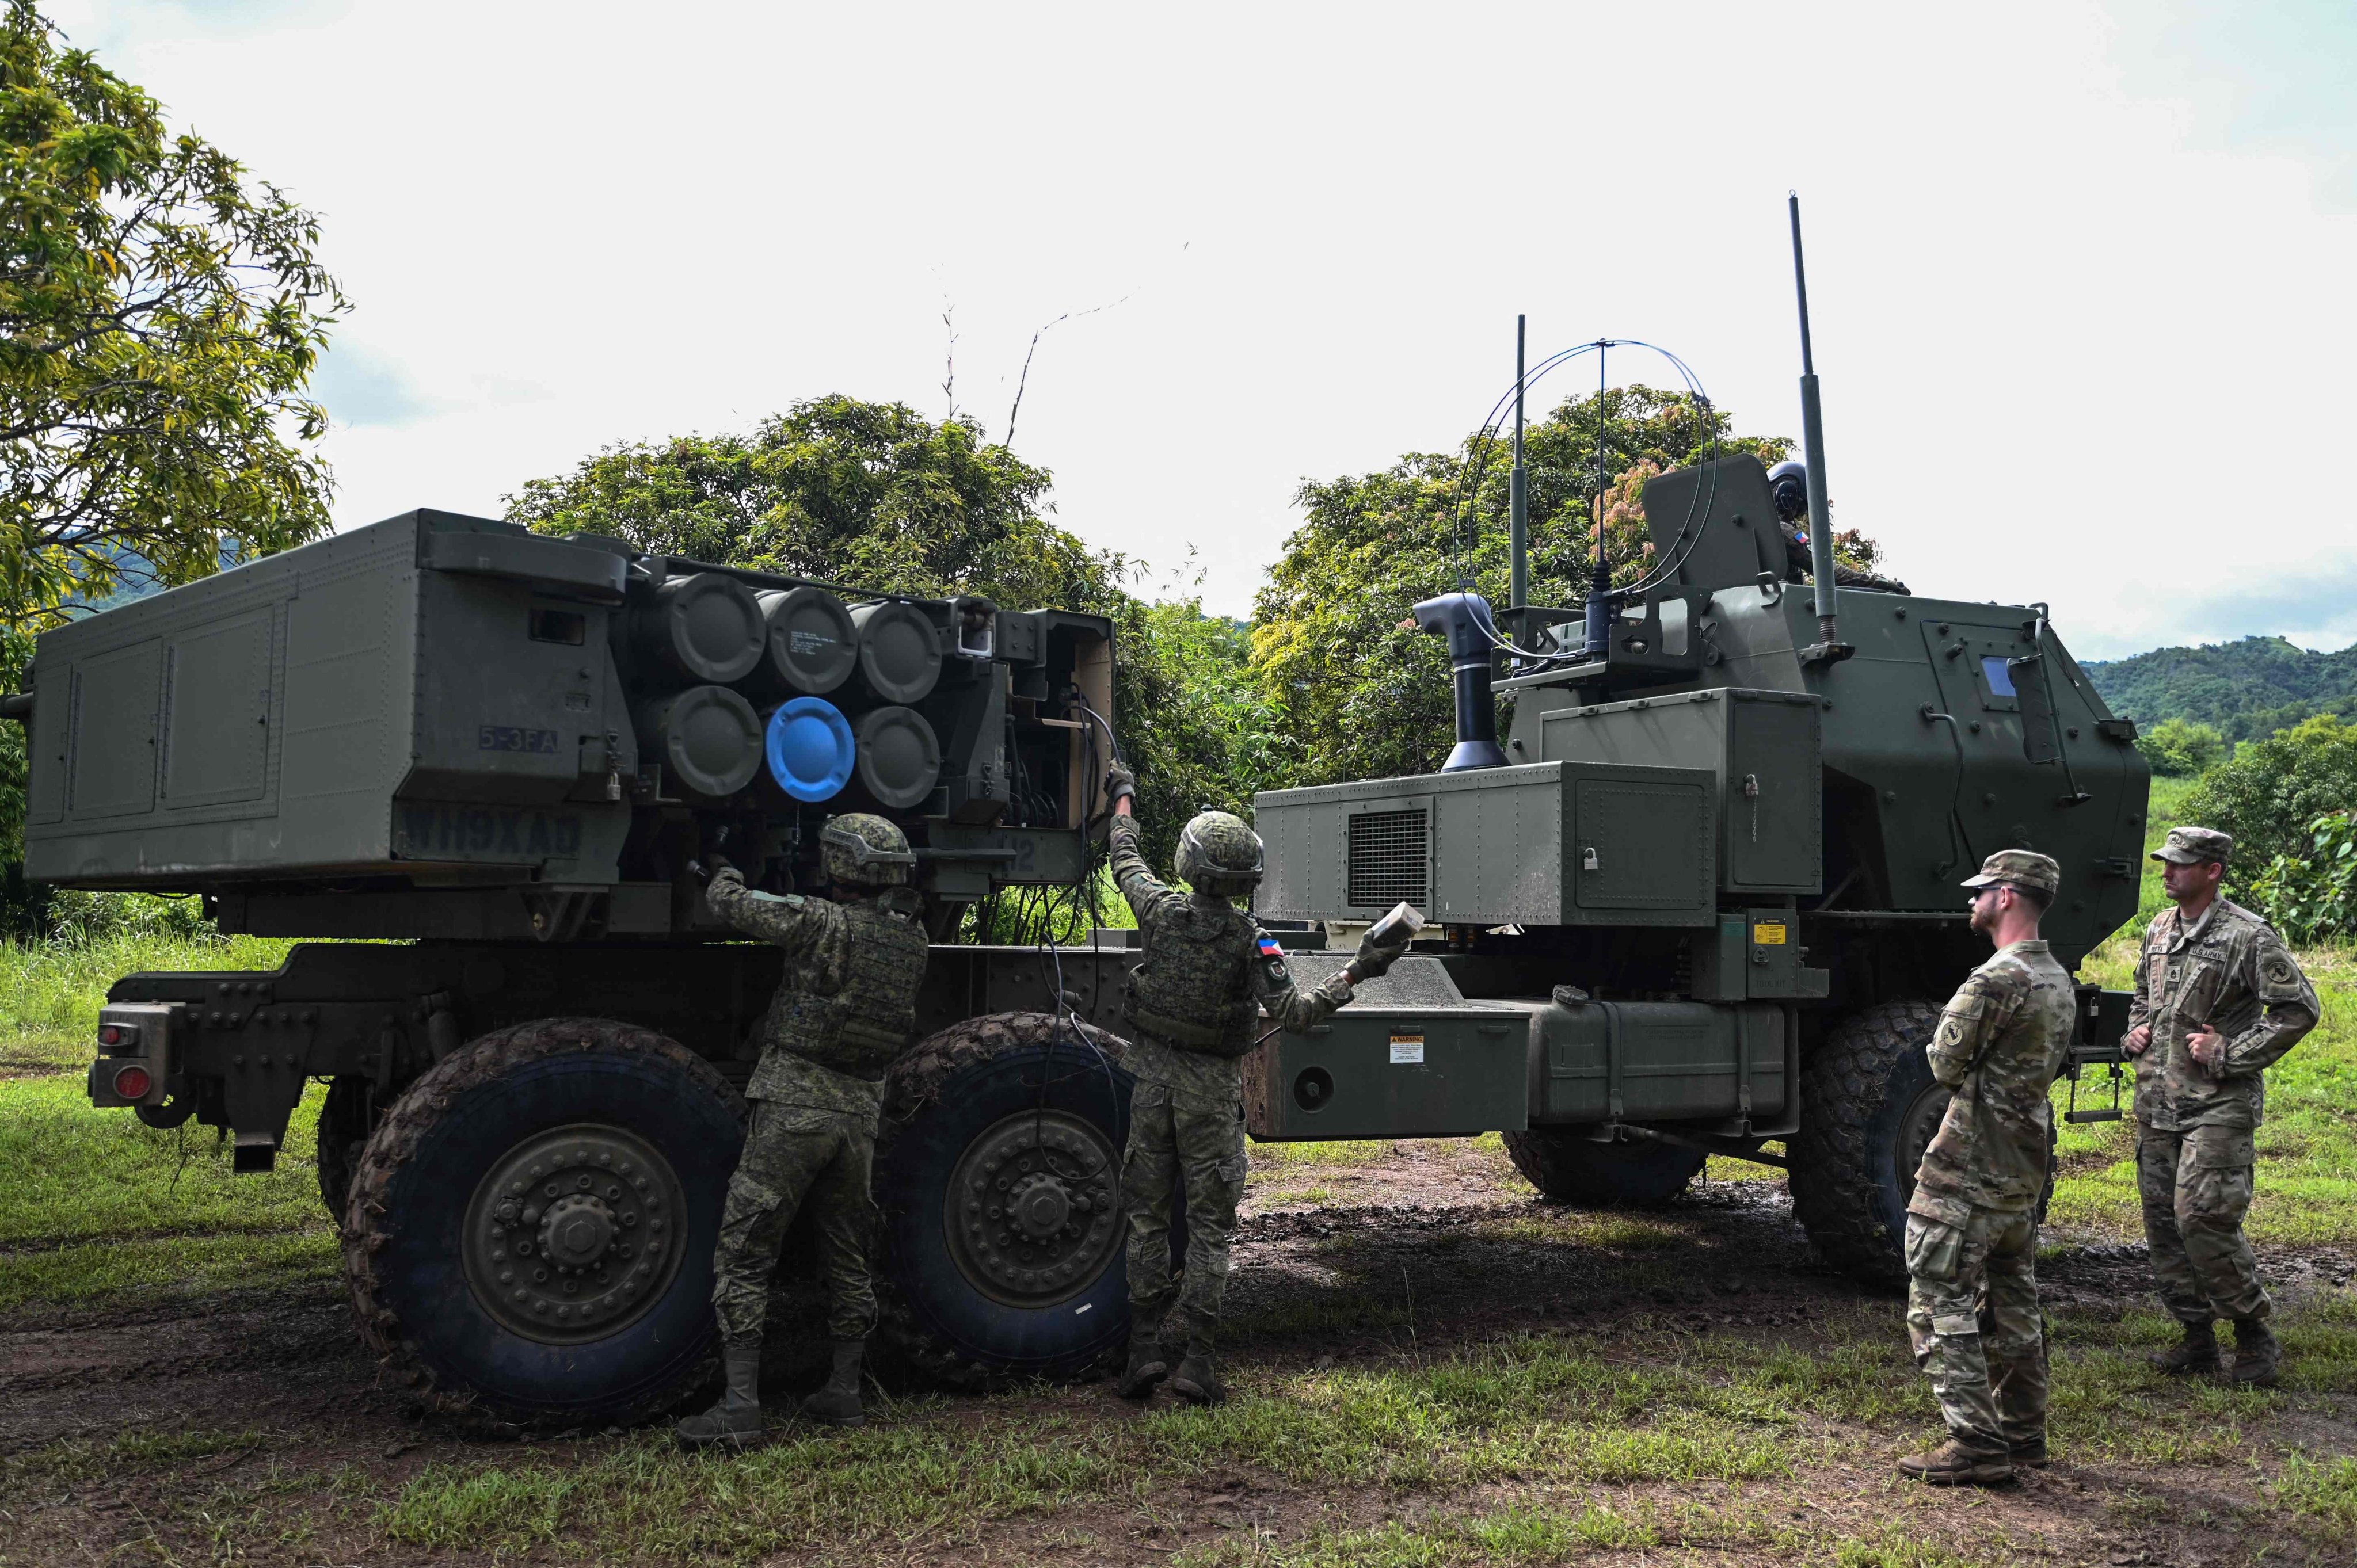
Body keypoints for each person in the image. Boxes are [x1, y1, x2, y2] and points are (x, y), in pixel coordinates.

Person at [1103, 763, 1411, 1405]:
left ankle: (1141, 1353)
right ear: (1247, 880)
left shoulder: (1158, 911)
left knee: (1147, 1220)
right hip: (1212, 1097)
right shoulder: (1253, 943)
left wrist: (1123, 793)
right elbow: (1295, 1016)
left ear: (1190, 864)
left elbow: (1124, 854)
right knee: (1211, 1229)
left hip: (1152, 1086)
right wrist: (1359, 970)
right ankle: (1198, 1363)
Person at [675, 814, 931, 1450]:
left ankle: (739, 1407)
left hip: (795, 1104)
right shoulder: (913, 941)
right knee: (848, 1253)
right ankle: (844, 1390)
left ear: (838, 865)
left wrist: (723, 865)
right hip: (858, 1113)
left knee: (747, 1248)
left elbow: (730, 903)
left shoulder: (819, 922)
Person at [1895, 849, 2077, 1487]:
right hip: (2021, 1163)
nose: (1971, 902)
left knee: (1936, 1294)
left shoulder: (1995, 980)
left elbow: (1945, 1065)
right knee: (2013, 1296)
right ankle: (2024, 1434)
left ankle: (1976, 1442)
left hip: (1969, 1164)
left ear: (2005, 897)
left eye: (1980, 892)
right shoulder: (2056, 977)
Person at [2123, 826, 2317, 1387]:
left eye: (2180, 864)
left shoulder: (2249, 936)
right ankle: (2196, 1338)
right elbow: (2143, 992)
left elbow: (2298, 1011)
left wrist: (2230, 1052)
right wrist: (2136, 1030)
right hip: (2158, 1103)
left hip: (2218, 1104)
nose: (2167, 871)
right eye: (2165, 862)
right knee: (2164, 1225)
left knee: (2203, 1217)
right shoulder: (2159, 927)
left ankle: (2255, 1338)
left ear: (2212, 870)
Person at [1766, 459, 1910, 594]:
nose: (1796, 515)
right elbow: (1829, 571)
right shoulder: (1783, 531)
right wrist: (1883, 584)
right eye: (1799, 506)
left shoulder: (1750, 530)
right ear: (1786, 496)